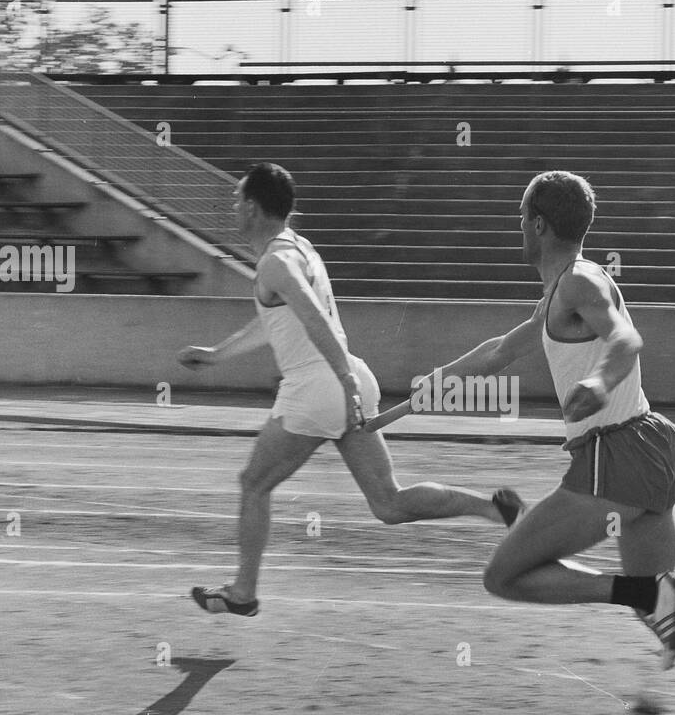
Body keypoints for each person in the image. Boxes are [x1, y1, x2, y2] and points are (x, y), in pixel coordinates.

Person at [393, 171, 675, 715]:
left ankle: (638, 593)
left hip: (615, 455)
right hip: (651, 449)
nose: (518, 231)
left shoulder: (580, 279)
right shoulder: (557, 298)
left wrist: (598, 382)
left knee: (504, 575)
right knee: (663, 612)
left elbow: (625, 335)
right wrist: (402, 406)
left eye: (521, 219)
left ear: (539, 224)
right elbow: (496, 351)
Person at [181, 163, 515, 616]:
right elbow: (279, 323)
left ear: (254, 209)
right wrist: (217, 354)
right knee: (388, 503)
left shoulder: (275, 263)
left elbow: (314, 317)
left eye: (238, 200)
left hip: (319, 388)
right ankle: (492, 509)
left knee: (253, 484)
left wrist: (339, 379)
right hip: (348, 381)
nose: (233, 207)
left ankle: (243, 592)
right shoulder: (298, 249)